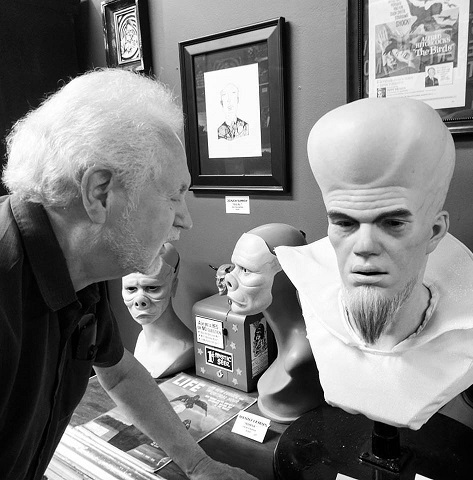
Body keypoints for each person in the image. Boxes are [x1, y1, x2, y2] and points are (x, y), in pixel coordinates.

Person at [0, 68, 257, 480]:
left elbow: (118, 374)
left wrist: (200, 466)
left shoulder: (79, 266)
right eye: (173, 196)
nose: (185, 220)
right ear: (100, 192)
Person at [275, 97, 473, 430]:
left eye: (393, 223)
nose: (364, 247)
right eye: (345, 223)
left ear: (434, 232)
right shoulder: (315, 302)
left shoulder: (469, 334)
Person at [225, 223, 323, 423]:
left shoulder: (300, 357)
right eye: (234, 267)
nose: (230, 279)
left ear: (286, 274)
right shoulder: (287, 347)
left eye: (246, 270)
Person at [122, 243, 194, 378]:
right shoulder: (141, 341)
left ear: (173, 286)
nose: (139, 301)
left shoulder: (188, 349)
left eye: (152, 288)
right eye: (131, 289)